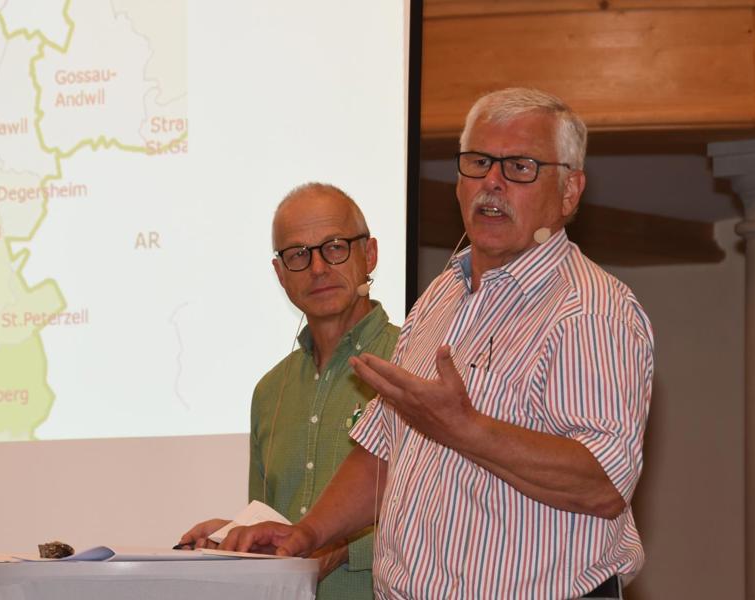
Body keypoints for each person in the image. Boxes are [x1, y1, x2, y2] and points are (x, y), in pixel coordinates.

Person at [221, 88, 655, 599]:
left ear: (569, 191)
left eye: (519, 167)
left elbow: (604, 483)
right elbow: (382, 450)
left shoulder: (590, 310)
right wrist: (307, 534)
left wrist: (466, 429)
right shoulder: (442, 296)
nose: (492, 182)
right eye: (478, 163)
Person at [179, 182, 399, 600]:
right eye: (298, 255)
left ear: (369, 254)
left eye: (334, 247)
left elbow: (448, 514)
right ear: (281, 274)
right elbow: (275, 527)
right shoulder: (269, 392)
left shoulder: (413, 362)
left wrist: (338, 549)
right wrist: (234, 540)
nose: (317, 268)